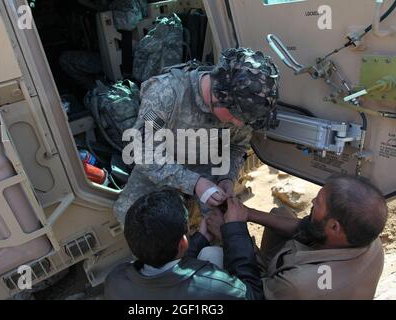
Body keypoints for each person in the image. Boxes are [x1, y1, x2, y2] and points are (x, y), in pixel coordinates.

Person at [114, 48, 279, 224]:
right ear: (218, 95)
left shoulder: (241, 106)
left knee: (225, 220)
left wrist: (227, 177)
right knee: (131, 216)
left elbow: (237, 146)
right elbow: (142, 151)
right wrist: (194, 183)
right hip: (160, 163)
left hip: (206, 162)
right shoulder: (164, 94)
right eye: (234, 116)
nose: (238, 123)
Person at [206, 174, 388, 300]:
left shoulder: (298, 285)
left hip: (273, 291)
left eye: (318, 204)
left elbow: (253, 293)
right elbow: (307, 228)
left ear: (334, 226)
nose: (313, 202)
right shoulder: (368, 239)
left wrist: (230, 234)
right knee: (282, 212)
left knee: (211, 255)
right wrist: (248, 213)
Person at [105, 190, 264, 300]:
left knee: (210, 251)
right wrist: (235, 231)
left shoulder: (115, 280)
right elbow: (253, 295)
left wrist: (200, 238)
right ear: (183, 242)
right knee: (214, 253)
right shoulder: (215, 287)